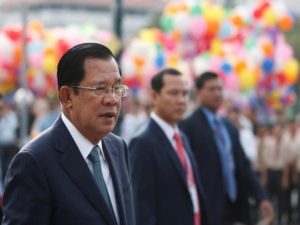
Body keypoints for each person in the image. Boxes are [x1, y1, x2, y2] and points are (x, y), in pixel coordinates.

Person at [2, 43, 135, 225]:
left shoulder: (118, 148)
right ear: (67, 96)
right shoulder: (34, 162)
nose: (112, 99)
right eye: (99, 89)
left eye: (117, 88)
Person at [179, 71, 273, 225]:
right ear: (198, 93)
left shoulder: (229, 127)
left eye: (220, 89)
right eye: (212, 89)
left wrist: (261, 196)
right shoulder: (188, 127)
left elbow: (243, 166)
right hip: (207, 209)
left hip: (234, 206)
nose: (217, 94)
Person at [129, 68, 209, 225]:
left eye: (185, 93)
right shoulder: (143, 143)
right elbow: (142, 209)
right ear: (154, 96)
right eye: (173, 93)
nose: (181, 100)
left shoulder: (182, 137)